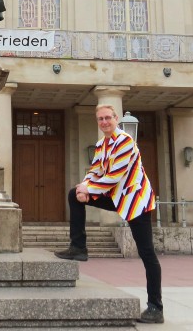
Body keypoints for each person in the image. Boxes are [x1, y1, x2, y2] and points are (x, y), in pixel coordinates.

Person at [55, 104, 164, 324]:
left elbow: (114, 176)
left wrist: (91, 189)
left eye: (108, 118)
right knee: (74, 194)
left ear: (116, 119)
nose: (104, 122)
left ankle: (156, 308)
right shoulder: (102, 144)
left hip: (136, 201)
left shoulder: (125, 141)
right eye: (100, 119)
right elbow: (95, 170)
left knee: (147, 254)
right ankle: (78, 247)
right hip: (116, 197)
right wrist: (84, 188)